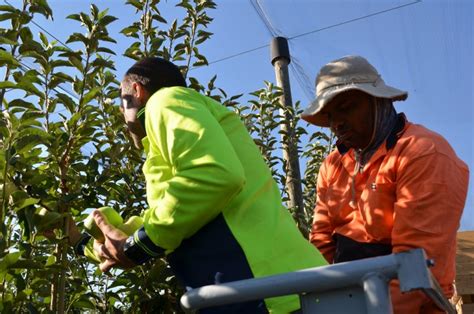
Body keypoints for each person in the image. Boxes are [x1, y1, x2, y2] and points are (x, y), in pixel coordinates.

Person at [70, 57, 327, 313]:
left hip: (271, 295)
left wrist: (138, 245)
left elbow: (214, 173)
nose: (122, 118)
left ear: (136, 92)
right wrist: (85, 241)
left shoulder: (164, 101)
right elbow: (172, 215)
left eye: (121, 104)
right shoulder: (182, 130)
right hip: (280, 291)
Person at [301, 55, 469, 313]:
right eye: (331, 116)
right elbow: (321, 242)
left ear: (378, 101)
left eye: (346, 108)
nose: (337, 124)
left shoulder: (422, 152)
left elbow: (413, 267)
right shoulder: (332, 165)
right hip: (348, 299)